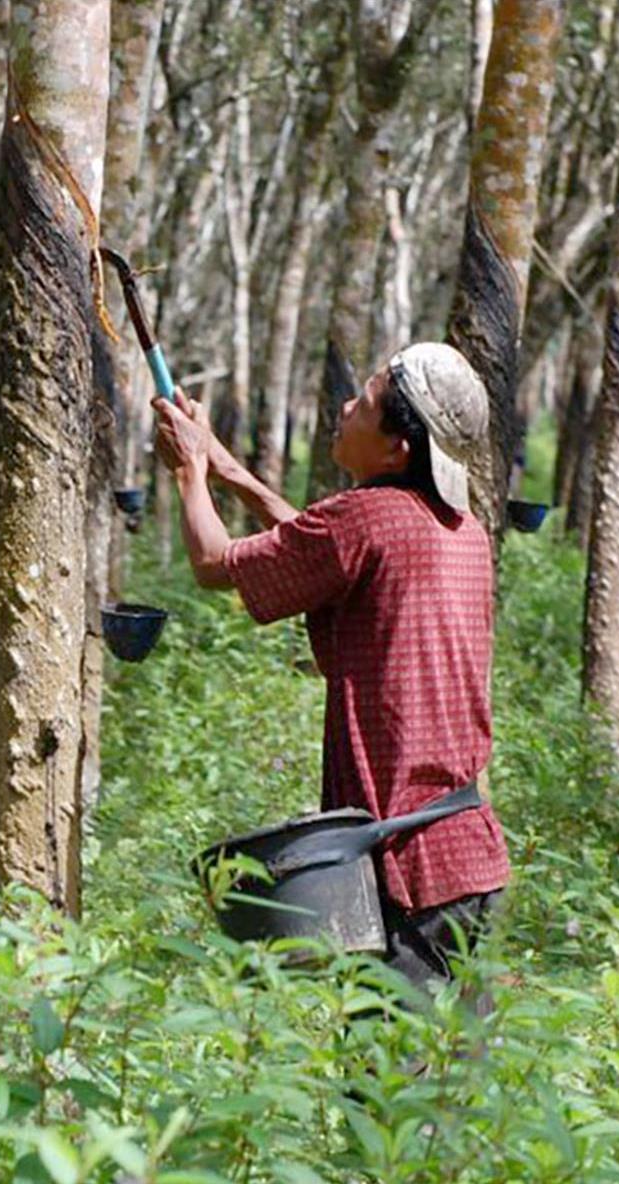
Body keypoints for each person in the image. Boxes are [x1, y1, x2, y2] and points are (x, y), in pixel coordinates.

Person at [152, 342, 509, 995]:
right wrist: (227, 468)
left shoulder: (364, 519)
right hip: (469, 858)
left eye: (366, 402)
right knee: (459, 1083)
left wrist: (187, 473)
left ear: (398, 447)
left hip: (408, 874)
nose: (346, 407)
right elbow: (320, 548)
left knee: (385, 1091)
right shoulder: (461, 530)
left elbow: (212, 564)